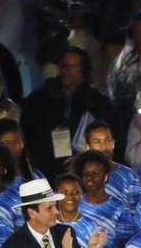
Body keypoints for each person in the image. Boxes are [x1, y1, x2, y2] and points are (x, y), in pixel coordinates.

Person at [20, 46, 114, 180]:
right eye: (63, 66)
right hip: (44, 169)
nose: (65, 71)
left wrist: (84, 158)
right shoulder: (40, 98)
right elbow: (28, 131)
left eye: (71, 67)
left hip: (81, 171)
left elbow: (107, 135)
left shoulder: (96, 102)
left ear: (83, 70)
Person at [0, 118, 42, 185]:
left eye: (17, 142)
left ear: (22, 144)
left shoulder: (35, 175)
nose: (12, 146)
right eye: (7, 143)